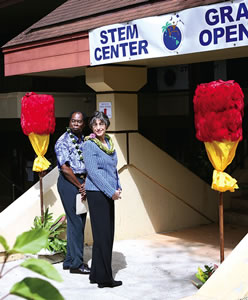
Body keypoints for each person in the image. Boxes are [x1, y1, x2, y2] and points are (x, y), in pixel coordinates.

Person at [82, 111, 122, 288]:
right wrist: (110, 191)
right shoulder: (90, 145)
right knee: (103, 236)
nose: (98, 127)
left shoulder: (109, 143)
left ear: (106, 125)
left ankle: (96, 275)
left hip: (109, 192)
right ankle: (105, 279)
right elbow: (93, 172)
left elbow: (113, 168)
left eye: (101, 124)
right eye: (95, 125)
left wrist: (118, 186)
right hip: (97, 193)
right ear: (91, 127)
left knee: (106, 234)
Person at [55, 111, 90, 275]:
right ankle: (77, 264)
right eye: (73, 121)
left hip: (81, 182)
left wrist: (84, 183)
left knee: (78, 221)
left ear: (83, 124)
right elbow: (65, 168)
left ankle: (69, 261)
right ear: (69, 122)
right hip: (69, 183)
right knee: (76, 222)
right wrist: (80, 186)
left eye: (79, 121)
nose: (76, 124)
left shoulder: (83, 139)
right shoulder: (63, 141)